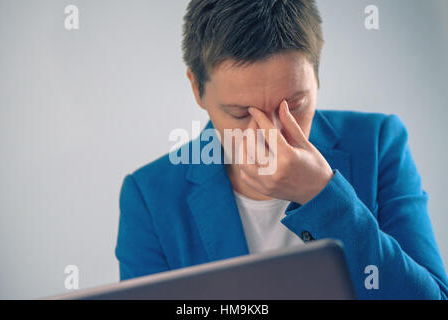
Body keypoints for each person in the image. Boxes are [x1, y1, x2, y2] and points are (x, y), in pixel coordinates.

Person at [114, 0, 448, 299]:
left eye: (293, 105)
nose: (270, 134)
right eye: (241, 114)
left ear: (316, 77)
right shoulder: (149, 197)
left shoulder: (378, 143)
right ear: (196, 89)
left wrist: (324, 196)